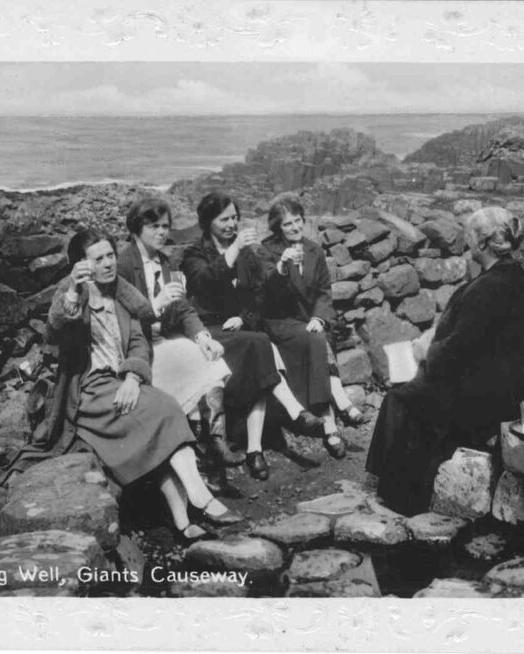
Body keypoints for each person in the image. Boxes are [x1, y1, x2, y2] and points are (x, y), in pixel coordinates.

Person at [48, 229, 244, 542]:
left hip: (121, 379)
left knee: (160, 422)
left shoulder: (121, 294)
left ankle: (182, 521)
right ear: (82, 265)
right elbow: (57, 327)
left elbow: (139, 343)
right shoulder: (74, 293)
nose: (109, 263)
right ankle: (200, 497)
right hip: (90, 389)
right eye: (98, 259)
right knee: (163, 411)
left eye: (111, 255)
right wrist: (73, 287)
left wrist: (133, 377)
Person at [365, 207, 524, 516]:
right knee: (409, 393)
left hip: (486, 397)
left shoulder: (489, 287)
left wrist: (423, 355)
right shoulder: (513, 277)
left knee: (401, 401)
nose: (466, 242)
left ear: (483, 243)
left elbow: (459, 350)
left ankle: (397, 497)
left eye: (470, 236)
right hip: (503, 387)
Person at [181, 191, 325, 480]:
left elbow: (260, 295)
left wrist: (243, 315)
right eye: (224, 220)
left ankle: (256, 449)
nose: (232, 224)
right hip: (208, 330)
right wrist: (233, 249)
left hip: (238, 328)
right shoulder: (195, 253)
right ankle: (291, 416)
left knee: (258, 341)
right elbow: (204, 282)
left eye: (235, 218)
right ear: (208, 222)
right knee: (259, 343)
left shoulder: (247, 253)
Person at [116, 196, 243, 469]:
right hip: (140, 344)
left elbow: (183, 308)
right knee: (184, 372)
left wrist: (201, 335)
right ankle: (201, 450)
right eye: (154, 227)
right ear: (137, 228)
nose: (162, 232)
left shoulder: (164, 260)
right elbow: (120, 319)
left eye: (165, 226)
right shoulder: (124, 264)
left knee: (209, 360)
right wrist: (155, 304)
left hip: (167, 337)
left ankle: (216, 439)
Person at [255, 197, 361, 459]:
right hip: (280, 322)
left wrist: (319, 317)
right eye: (287, 224)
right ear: (278, 228)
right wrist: (281, 267)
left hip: (308, 320)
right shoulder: (267, 251)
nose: (294, 227)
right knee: (317, 340)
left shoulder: (314, 249)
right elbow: (265, 293)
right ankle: (336, 413)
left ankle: (331, 423)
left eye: (298, 221)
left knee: (318, 334)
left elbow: (325, 292)